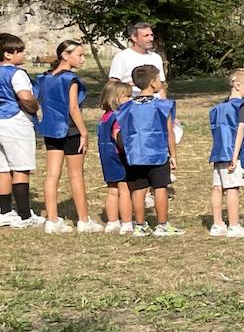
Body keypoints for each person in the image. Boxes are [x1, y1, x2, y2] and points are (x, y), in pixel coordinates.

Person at [38, 40, 99, 233]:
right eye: (79, 55)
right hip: (70, 130)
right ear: (65, 56)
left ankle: (52, 220)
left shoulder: (45, 77)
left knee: (52, 175)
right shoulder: (70, 79)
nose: (82, 59)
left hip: (50, 129)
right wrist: (84, 132)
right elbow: (73, 107)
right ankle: (83, 220)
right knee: (76, 175)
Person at [114, 64, 180, 236]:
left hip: (135, 155)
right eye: (158, 79)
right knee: (160, 188)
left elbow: (122, 131)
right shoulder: (161, 106)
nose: (160, 83)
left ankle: (140, 224)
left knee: (139, 188)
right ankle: (162, 224)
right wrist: (173, 154)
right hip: (157, 153)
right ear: (152, 82)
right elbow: (169, 132)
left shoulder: (127, 107)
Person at [207, 68, 244, 238]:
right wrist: (235, 157)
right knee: (232, 189)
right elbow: (239, 132)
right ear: (237, 85)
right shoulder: (243, 106)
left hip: (218, 152)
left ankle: (217, 223)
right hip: (233, 154)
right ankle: (234, 225)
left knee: (217, 187)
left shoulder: (219, 107)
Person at [0, 32, 42, 228]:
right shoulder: (16, 73)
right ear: (8, 54)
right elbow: (25, 96)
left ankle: (5, 211)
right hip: (15, 121)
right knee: (21, 168)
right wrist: (34, 107)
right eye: (20, 51)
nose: (23, 55)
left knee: (3, 169)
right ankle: (25, 215)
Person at [97, 80, 134, 234]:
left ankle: (112, 221)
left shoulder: (104, 117)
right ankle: (126, 222)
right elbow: (119, 137)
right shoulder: (118, 117)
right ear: (116, 98)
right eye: (127, 96)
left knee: (112, 190)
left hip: (106, 157)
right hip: (118, 156)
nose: (130, 99)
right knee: (124, 189)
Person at [107, 21, 167, 95]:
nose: (151, 39)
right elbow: (112, 85)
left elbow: (161, 86)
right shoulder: (122, 57)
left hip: (155, 104)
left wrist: (164, 104)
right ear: (134, 38)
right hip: (132, 103)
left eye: (151, 35)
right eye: (146, 36)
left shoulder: (156, 58)